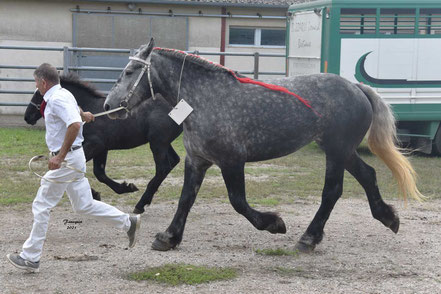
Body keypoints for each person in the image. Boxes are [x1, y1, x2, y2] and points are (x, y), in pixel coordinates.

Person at [6, 63, 140, 273]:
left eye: (36, 83)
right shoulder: (62, 94)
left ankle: (30, 257)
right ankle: (128, 222)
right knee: (83, 205)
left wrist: (60, 155)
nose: (36, 87)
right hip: (74, 158)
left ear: (43, 82)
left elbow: (74, 125)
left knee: (41, 205)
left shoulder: (57, 98)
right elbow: (74, 113)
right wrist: (83, 113)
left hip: (66, 160)